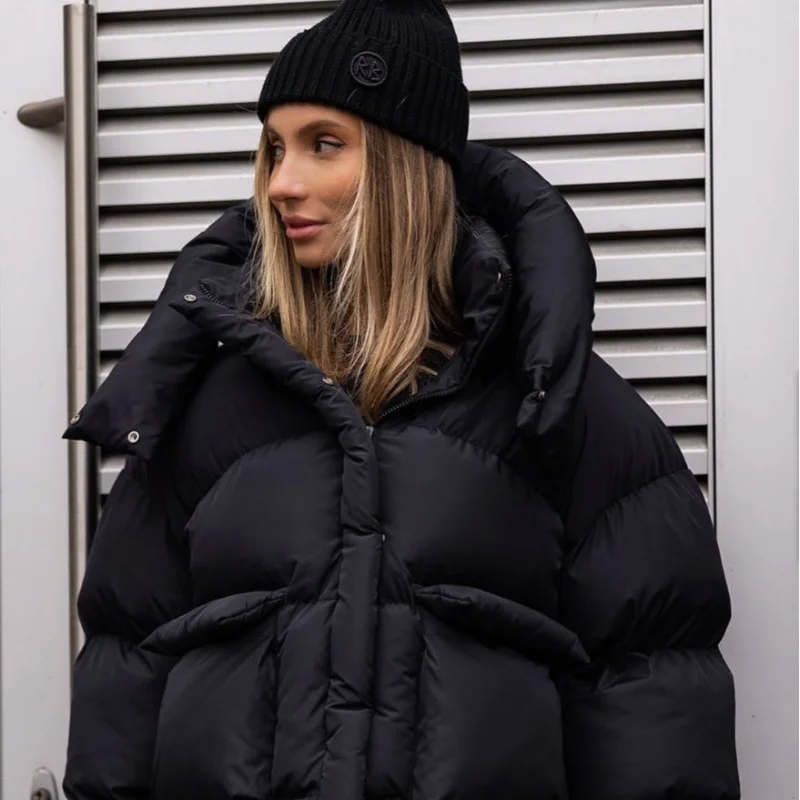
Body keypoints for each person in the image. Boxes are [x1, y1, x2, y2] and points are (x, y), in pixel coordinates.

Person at [62, 1, 740, 798]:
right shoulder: (205, 418)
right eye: (274, 149)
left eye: (324, 145)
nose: (282, 184)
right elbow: (123, 682)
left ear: (403, 167)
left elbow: (656, 715)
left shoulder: (558, 410)